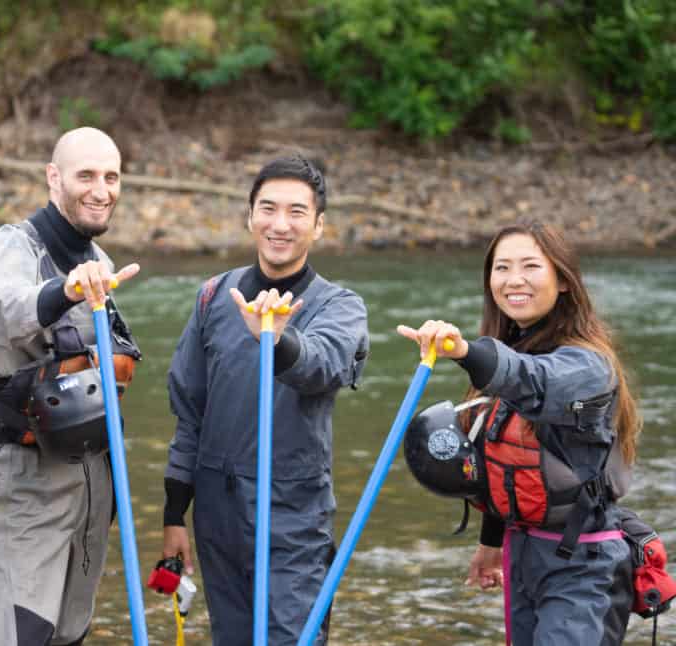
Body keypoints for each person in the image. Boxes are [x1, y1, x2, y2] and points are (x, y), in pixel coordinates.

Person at [397, 218, 641, 645]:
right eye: (502, 268)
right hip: (523, 555)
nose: (513, 281)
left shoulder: (586, 365)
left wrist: (464, 351)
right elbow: (501, 459)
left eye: (530, 267)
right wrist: (492, 542)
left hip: (583, 567)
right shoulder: (510, 354)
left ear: (563, 280)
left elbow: (532, 380)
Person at [160, 155, 370, 645]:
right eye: (268, 209)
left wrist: (276, 339)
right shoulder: (213, 297)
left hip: (292, 515)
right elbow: (189, 412)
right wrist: (174, 515)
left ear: (318, 226)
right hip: (217, 513)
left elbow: (323, 365)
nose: (280, 224)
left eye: (297, 212)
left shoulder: (340, 306)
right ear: (249, 216)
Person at [0, 127, 141, 646]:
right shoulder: (10, 248)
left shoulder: (100, 263)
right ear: (53, 178)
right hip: (26, 481)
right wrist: (63, 290)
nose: (101, 190)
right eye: (86, 176)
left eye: (111, 177)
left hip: (91, 488)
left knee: (69, 635)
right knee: (21, 635)